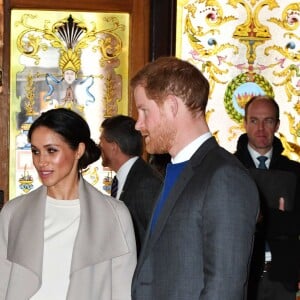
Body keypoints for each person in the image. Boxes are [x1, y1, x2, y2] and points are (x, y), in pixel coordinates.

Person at [130, 56, 259, 300]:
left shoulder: (224, 177)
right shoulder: (177, 170)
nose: (139, 124)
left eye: (144, 110)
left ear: (171, 106)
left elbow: (224, 288)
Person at [0, 108, 136, 300]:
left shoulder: (114, 215)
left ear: (78, 151)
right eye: (35, 151)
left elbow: (123, 292)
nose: (41, 161)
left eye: (51, 150)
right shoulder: (13, 213)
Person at [235, 95, 300, 300]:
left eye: (268, 121)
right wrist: (279, 218)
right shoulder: (230, 168)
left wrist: (256, 216)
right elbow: (230, 223)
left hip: (283, 278)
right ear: (245, 124)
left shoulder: (294, 171)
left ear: (277, 125)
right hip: (240, 274)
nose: (261, 128)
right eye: (254, 120)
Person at [99, 115, 163, 255]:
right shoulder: (127, 178)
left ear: (113, 147)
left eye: (101, 141)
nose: (99, 146)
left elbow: (157, 240)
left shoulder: (147, 183)